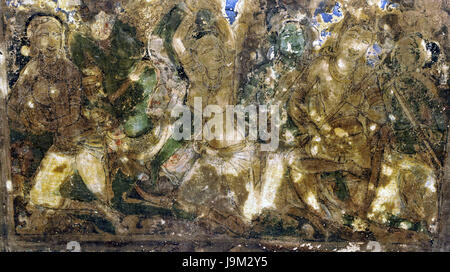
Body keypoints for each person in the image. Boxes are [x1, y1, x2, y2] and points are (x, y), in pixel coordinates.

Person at [7, 15, 124, 233]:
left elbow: (71, 115)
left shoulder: (69, 70)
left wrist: (42, 124)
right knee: (38, 196)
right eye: (44, 35)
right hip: (62, 146)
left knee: (107, 197)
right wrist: (26, 120)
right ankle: (91, 210)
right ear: (33, 40)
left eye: (56, 34)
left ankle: (104, 212)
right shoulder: (31, 71)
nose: (51, 41)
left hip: (85, 143)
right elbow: (12, 106)